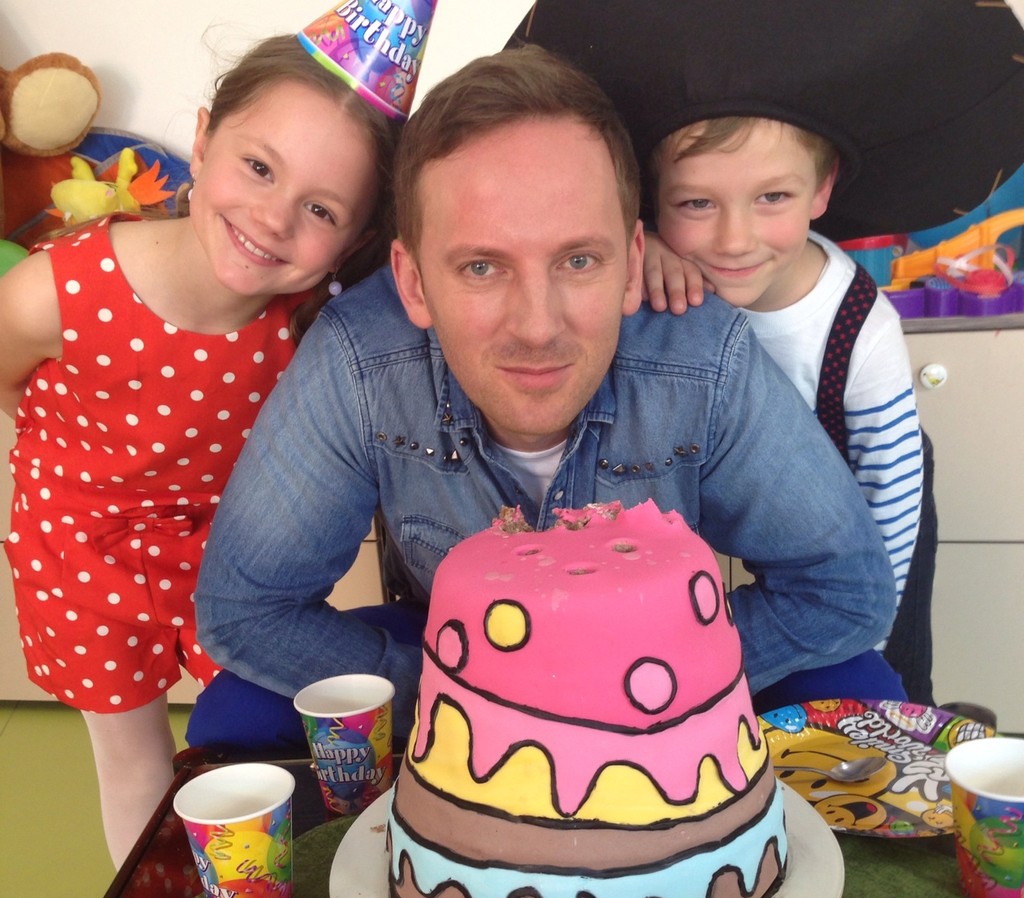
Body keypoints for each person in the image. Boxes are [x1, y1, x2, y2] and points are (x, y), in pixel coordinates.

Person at [193, 44, 902, 749]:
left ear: (633, 263)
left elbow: (843, 590)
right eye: (481, 267)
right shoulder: (359, 356)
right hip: (460, 655)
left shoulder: (700, 355)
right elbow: (246, 610)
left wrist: (631, 691)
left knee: (860, 690)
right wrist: (483, 707)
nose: (537, 328)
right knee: (237, 714)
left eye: (579, 260)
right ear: (412, 281)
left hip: (658, 661)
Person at [0, 34, 399, 866]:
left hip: (230, 553)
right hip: (82, 547)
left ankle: (285, 894)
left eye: (322, 210)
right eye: (258, 167)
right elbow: (10, 382)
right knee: (132, 761)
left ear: (355, 236)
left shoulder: (318, 318)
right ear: (204, 138)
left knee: (255, 732)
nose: (274, 217)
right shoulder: (51, 292)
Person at [640, 115, 933, 703]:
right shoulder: (655, 270)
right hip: (732, 503)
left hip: (874, 498)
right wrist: (636, 243)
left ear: (821, 189)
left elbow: (881, 548)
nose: (734, 240)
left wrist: (856, 658)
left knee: (888, 680)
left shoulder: (863, 332)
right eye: (697, 203)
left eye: (773, 197)